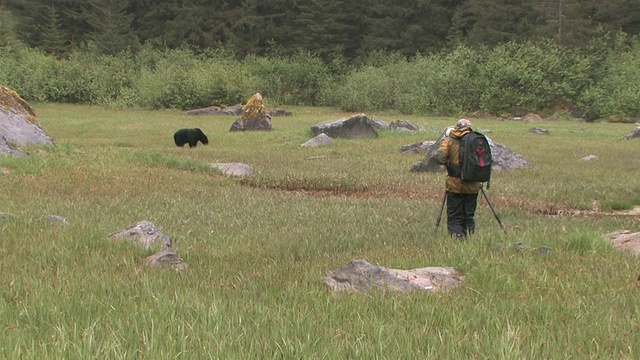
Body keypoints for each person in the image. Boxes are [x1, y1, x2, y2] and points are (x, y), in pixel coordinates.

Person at [435, 118, 481, 239]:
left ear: (457, 127)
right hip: (473, 185)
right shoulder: (476, 140)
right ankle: (469, 238)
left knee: (455, 215)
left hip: (455, 185)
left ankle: (457, 239)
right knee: (469, 215)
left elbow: (440, 157)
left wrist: (448, 164)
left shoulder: (449, 140)